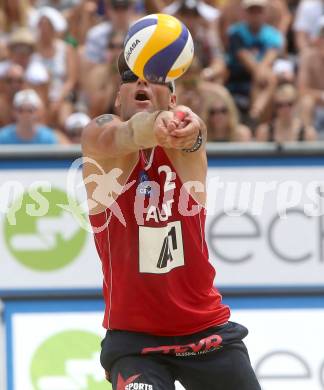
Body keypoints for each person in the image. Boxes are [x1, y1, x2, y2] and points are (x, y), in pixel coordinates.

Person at [81, 52, 261, 389]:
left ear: (173, 98)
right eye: (131, 76)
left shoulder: (184, 143)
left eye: (155, 77)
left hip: (205, 330)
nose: (142, 81)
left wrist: (190, 129)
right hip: (135, 340)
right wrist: (153, 124)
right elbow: (127, 134)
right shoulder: (99, 136)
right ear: (119, 96)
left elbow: (196, 138)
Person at [226, 0, 283, 122]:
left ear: (265, 13)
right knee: (266, 78)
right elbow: (246, 60)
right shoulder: (236, 33)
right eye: (252, 11)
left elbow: (270, 57)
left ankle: (255, 115)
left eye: (259, 11)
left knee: (262, 79)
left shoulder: (273, 34)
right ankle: (258, 118)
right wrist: (264, 72)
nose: (255, 15)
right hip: (239, 78)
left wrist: (262, 72)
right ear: (245, 13)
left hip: (260, 78)